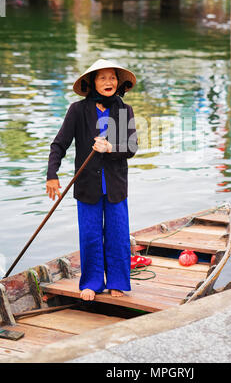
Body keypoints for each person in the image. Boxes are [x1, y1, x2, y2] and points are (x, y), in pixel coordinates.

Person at [46, 59, 138, 301]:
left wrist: (109, 148)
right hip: (87, 185)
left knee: (118, 234)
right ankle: (92, 283)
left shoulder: (123, 110)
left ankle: (117, 282)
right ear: (93, 83)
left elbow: (130, 147)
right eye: (102, 78)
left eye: (112, 78)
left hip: (116, 185)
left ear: (119, 83)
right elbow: (59, 144)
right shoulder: (78, 110)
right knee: (90, 235)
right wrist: (52, 175)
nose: (108, 82)